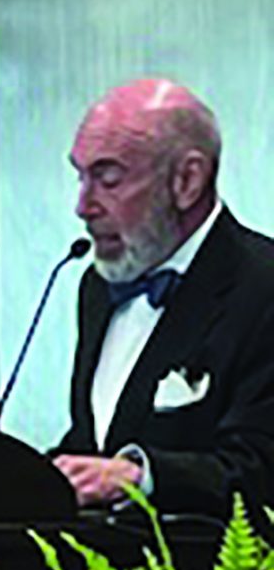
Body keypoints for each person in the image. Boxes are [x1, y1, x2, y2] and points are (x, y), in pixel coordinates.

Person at [53, 79, 274, 517]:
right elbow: (94, 442)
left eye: (108, 178)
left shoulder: (262, 286)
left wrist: (141, 475)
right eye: (81, 176)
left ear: (187, 180)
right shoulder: (97, 288)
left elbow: (261, 467)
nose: (83, 205)